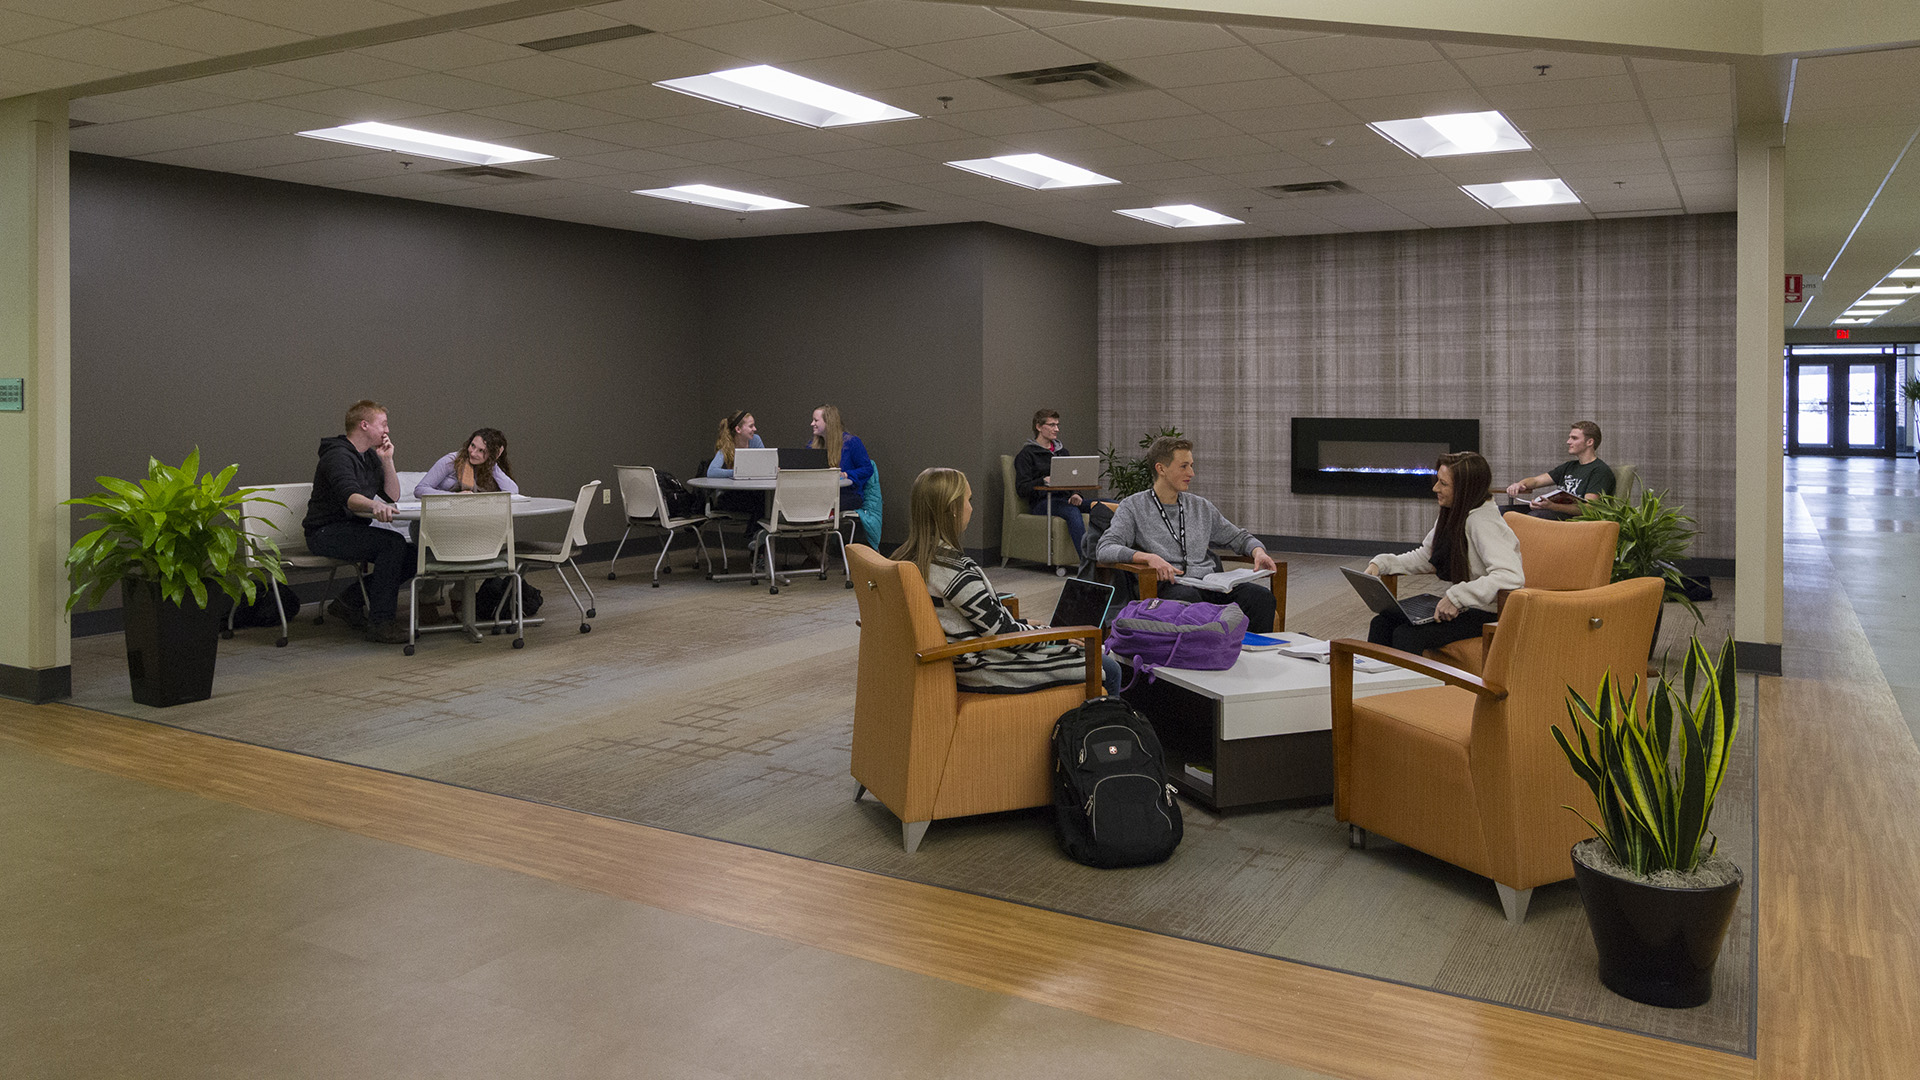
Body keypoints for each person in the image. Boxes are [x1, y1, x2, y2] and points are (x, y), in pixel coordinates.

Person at [894, 468, 1121, 694]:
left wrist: (1026, 624)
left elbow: (980, 620)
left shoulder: (906, 559)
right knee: (1107, 667)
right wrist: (1059, 638)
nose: (971, 508)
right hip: (985, 667)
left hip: (958, 657)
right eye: (968, 500)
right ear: (952, 509)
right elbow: (1004, 636)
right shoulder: (957, 572)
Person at [1094, 436, 1280, 633]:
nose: (1191, 473)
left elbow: (1239, 537)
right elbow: (1105, 548)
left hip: (1210, 584)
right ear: (1161, 469)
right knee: (1189, 601)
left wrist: (1258, 551)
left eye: (1191, 465)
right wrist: (1147, 557)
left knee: (1261, 597)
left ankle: (1254, 657)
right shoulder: (1133, 507)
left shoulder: (1200, 506)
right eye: (1184, 466)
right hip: (1170, 586)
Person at [1366, 450, 1524, 654]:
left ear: (1465, 489)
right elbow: (1428, 557)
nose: (1435, 488)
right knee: (1381, 623)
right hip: (1467, 606)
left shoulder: (1484, 522)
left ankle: (1414, 687)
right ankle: (1376, 685)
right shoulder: (1453, 512)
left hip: (1487, 612)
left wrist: (1458, 597)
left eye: (1444, 484)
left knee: (1406, 635)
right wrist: (1383, 563)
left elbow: (1511, 576)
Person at [303, 399, 414, 644]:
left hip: (350, 528)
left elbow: (392, 495)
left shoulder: (370, 457)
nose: (387, 430)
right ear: (364, 425)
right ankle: (381, 623)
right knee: (392, 544)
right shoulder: (337, 456)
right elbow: (350, 497)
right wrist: (374, 505)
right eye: (383, 424)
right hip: (324, 532)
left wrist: (387, 460)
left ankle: (350, 600)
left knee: (414, 554)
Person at [1012, 408, 1087, 557]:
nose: (1057, 429)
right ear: (1039, 427)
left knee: (1106, 505)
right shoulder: (1027, 455)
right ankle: (1088, 564)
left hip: (1065, 499)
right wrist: (1043, 481)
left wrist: (1076, 493)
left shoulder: (1063, 452)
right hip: (1042, 503)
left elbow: (1073, 480)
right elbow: (1021, 488)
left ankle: (1110, 558)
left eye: (1057, 425)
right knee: (1072, 512)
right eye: (1052, 425)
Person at [1505, 421, 1615, 519]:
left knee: (1534, 517)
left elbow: (1589, 508)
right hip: (1552, 511)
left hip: (1573, 518)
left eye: (1574, 438)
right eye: (1569, 437)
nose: (1568, 441)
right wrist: (1520, 484)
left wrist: (1553, 506)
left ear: (1589, 442)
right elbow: (1536, 481)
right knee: (1503, 512)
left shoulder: (1600, 471)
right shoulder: (1569, 466)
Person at [414, 428, 517, 496]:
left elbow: (513, 492)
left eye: (481, 451)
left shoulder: (491, 467)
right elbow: (420, 490)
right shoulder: (451, 461)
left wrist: (493, 464)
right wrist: (455, 496)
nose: (472, 453)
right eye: (472, 446)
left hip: (470, 518)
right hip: (440, 516)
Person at [810, 404, 873, 512]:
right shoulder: (812, 445)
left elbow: (867, 469)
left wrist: (846, 474)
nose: (812, 424)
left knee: (815, 505)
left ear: (828, 422)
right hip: (822, 493)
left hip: (847, 494)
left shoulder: (851, 443)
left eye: (816, 420)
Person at [706, 410, 766, 516]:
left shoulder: (755, 440)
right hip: (729, 495)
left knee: (764, 500)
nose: (755, 429)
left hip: (751, 492)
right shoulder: (728, 445)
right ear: (738, 429)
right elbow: (711, 472)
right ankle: (753, 533)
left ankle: (754, 532)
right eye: (751, 426)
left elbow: (764, 464)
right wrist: (737, 473)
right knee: (761, 504)